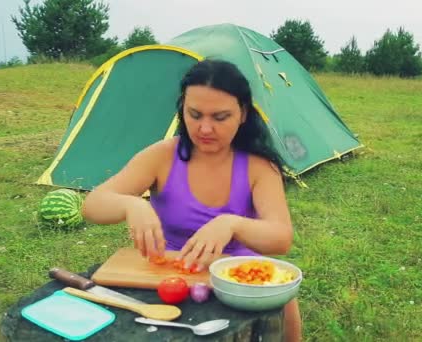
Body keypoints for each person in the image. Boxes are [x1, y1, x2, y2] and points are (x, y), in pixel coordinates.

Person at [82, 59, 302, 341]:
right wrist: (131, 204)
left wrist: (231, 224)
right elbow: (93, 205)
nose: (205, 129)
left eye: (220, 117)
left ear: (243, 113)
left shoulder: (258, 167)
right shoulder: (162, 156)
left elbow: (281, 238)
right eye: (195, 114)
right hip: (166, 269)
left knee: (285, 305)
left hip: (235, 271)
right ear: (182, 109)